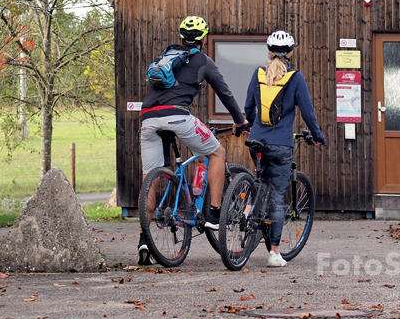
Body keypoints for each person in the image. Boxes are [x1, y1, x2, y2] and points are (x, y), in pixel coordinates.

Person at [139, 16, 248, 265]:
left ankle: (144, 240)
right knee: (217, 152)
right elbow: (225, 92)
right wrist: (240, 121)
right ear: (204, 38)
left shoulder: (165, 56)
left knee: (150, 176)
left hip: (147, 120)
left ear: (181, 37)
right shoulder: (202, 60)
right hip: (177, 117)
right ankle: (215, 213)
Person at [243, 30, 326, 268]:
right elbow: (308, 113)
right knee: (278, 197)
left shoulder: (258, 74)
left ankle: (246, 215)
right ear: (291, 52)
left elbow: (249, 108)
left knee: (261, 181)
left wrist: (250, 125)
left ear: (268, 51)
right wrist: (318, 136)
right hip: (280, 144)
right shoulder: (295, 78)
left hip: (257, 141)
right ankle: (274, 253)